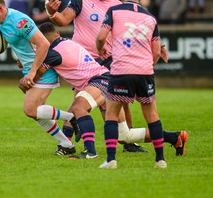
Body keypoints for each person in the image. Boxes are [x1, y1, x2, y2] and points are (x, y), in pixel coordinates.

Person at [33, 23, 187, 159]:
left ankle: (90, 153)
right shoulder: (66, 42)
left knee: (79, 107)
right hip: (106, 79)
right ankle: (174, 137)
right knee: (124, 135)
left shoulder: (52, 52)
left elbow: (37, 74)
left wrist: (28, 70)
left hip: (99, 81)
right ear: (57, 34)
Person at [45, 0, 147, 153]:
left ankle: (127, 142)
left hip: (109, 60)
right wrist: (52, 13)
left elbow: (129, 30)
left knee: (120, 100)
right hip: (83, 60)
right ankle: (68, 143)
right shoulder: (81, 0)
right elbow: (63, 20)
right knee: (81, 102)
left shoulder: (117, 5)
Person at [0, 0, 79, 155]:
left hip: (42, 69)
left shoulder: (20, 21)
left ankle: (72, 118)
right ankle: (66, 144)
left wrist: (33, 72)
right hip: (29, 69)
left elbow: (43, 44)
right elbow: (2, 43)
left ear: (0, 8)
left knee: (30, 109)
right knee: (37, 113)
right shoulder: (1, 22)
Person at [96, 0, 168, 169]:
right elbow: (156, 51)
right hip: (144, 71)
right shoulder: (151, 18)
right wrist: (146, 65)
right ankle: (160, 159)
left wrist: (100, 49)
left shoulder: (114, 11)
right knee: (152, 114)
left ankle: (111, 159)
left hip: (121, 70)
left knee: (111, 113)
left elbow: (101, 36)